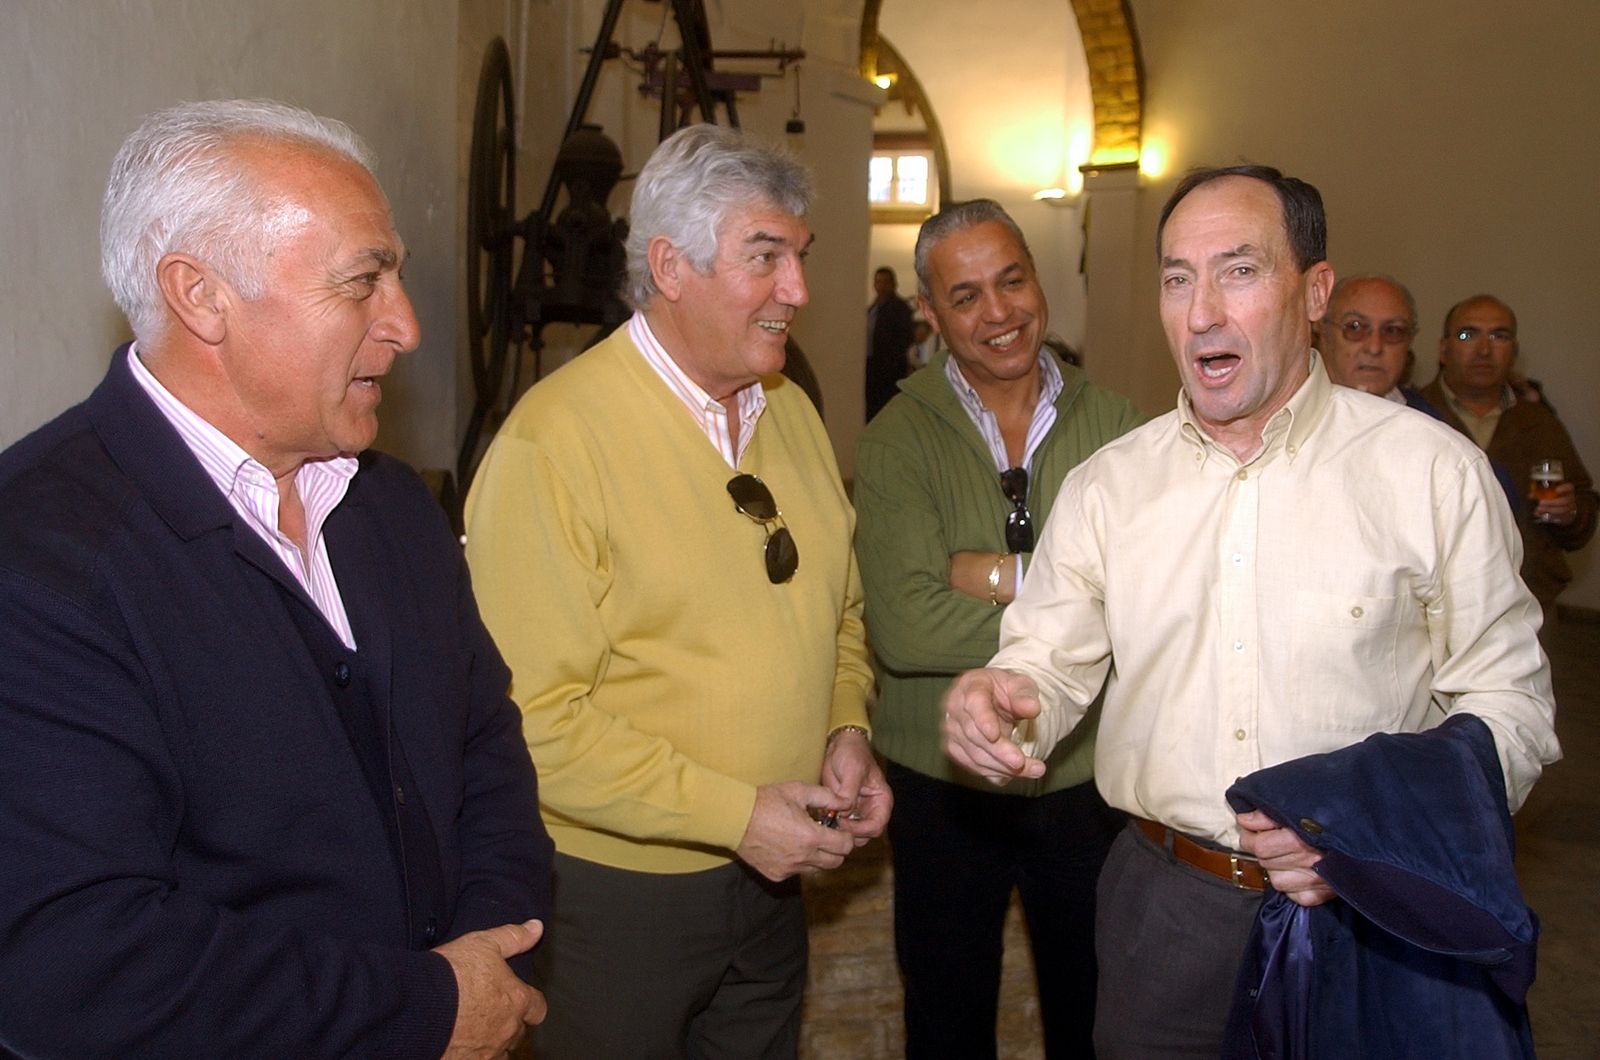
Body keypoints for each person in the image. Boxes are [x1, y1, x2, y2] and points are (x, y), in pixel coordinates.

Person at [941, 165, 1560, 1058]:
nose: (1201, 314)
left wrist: (1372, 833)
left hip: (1369, 917)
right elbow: (1046, 665)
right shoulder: (1109, 487)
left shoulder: (1431, 475)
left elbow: (1514, 710)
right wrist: (998, 701)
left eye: (1237, 271)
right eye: (1177, 278)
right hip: (1166, 916)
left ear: (1313, 292)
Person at [0, 100, 553, 1058]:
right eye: (361, 283)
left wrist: (491, 960)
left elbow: (484, 748)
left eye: (399, 277)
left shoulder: (392, 507)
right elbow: (75, 964)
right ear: (201, 295)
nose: (409, 325)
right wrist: (424, 1010)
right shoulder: (39, 559)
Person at [463, 123, 889, 1059]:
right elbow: (534, 719)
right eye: (765, 258)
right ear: (669, 265)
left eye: (800, 257)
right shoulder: (553, 445)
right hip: (621, 901)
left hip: (773, 885)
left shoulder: (792, 413)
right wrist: (736, 818)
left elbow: (841, 616)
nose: (800, 292)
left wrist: (843, 727)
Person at [853, 199, 1141, 1058]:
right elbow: (904, 628)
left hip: (1084, 775)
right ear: (932, 315)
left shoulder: (1123, 430)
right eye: (967, 296)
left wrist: (981, 571)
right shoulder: (894, 440)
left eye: (1011, 280)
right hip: (943, 789)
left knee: (1093, 1014)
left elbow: (1141, 603)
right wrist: (1070, 594)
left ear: (1038, 281)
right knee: (946, 1017)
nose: (999, 313)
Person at [1421, 294, 1598, 616]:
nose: (1484, 349)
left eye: (1499, 336)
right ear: (1443, 349)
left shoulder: (1539, 422)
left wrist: (1570, 513)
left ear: (1513, 352)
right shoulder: (1412, 415)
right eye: (1467, 335)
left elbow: (1583, 511)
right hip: (1430, 610)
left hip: (1526, 609)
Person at [1319, 274, 1521, 514]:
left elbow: (1498, 498)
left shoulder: (1429, 421)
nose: (1374, 347)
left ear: (1410, 341)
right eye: (1354, 327)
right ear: (1321, 330)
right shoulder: (1287, 412)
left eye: (1393, 331)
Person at [866, 265, 916, 420]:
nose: (881, 285)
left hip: (891, 370)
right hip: (872, 368)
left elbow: (907, 337)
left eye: (885, 282)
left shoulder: (900, 308)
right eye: (878, 282)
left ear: (893, 284)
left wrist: (893, 361)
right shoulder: (872, 308)